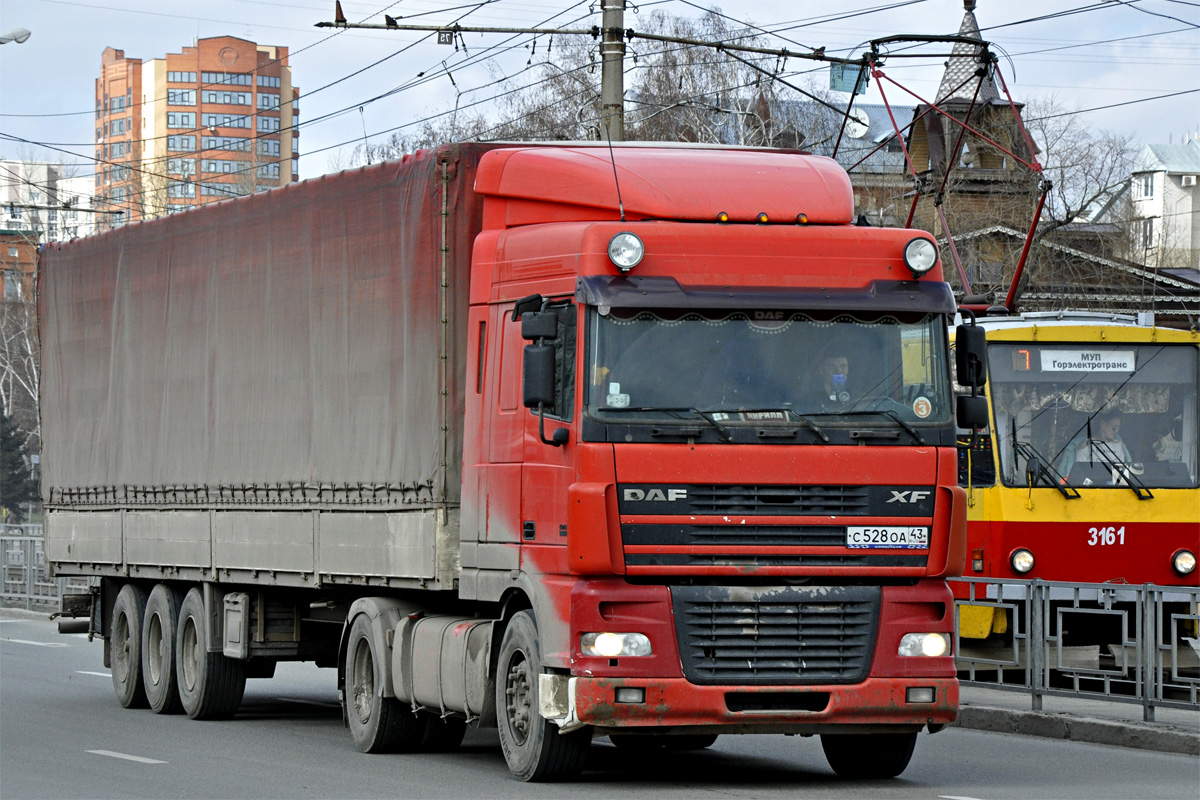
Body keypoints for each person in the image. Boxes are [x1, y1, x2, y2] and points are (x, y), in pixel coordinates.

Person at [1056, 410, 1133, 477]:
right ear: (1103, 424)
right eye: (1114, 427)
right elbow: (1079, 473)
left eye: (1118, 428)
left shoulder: (1118, 444)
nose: (1116, 431)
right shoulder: (1085, 445)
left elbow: (1122, 473)